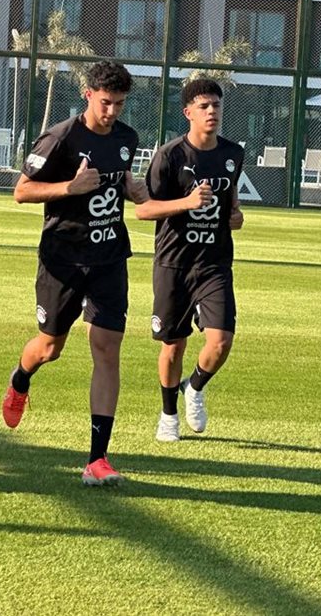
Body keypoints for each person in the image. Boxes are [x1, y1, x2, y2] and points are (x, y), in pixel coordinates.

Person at [0, 61, 142, 486]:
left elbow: (123, 183)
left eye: (119, 104)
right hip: (62, 260)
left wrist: (137, 192)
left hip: (109, 257)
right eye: (106, 103)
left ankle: (98, 458)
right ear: (87, 94)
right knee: (49, 348)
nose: (112, 112)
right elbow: (21, 191)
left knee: (107, 348)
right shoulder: (60, 138)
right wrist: (69, 188)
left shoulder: (126, 138)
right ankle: (20, 378)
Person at [134, 78, 245, 441]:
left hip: (214, 264)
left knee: (221, 342)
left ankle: (194, 386)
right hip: (174, 264)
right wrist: (187, 202)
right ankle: (168, 416)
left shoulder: (232, 153)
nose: (212, 112)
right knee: (174, 345)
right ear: (188, 113)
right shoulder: (170, 156)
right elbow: (143, 210)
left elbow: (232, 202)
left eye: (216, 105)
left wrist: (236, 216)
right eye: (204, 106)